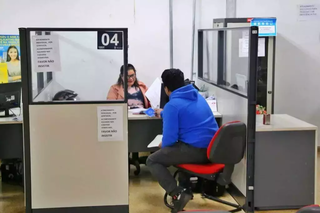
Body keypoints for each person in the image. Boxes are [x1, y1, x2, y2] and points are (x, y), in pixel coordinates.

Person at [146, 69, 219, 213]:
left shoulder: (172, 106)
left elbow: (169, 140)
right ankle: (185, 189)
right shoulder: (197, 97)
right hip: (213, 149)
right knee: (179, 147)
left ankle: (177, 193)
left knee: (152, 160)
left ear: (166, 89)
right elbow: (185, 112)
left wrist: (162, 144)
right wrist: (164, 112)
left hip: (195, 151)